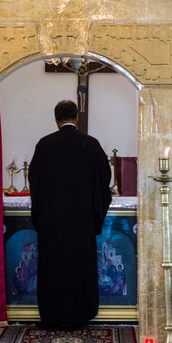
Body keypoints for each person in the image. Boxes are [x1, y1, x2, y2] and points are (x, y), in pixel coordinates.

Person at [28, 99, 112, 329]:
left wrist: (42, 217)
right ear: (76, 117)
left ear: (56, 119)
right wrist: (95, 218)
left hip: (52, 223)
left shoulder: (44, 145)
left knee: (53, 266)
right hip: (81, 222)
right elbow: (105, 181)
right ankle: (81, 313)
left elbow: (34, 183)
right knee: (79, 266)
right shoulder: (91, 144)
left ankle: (52, 315)